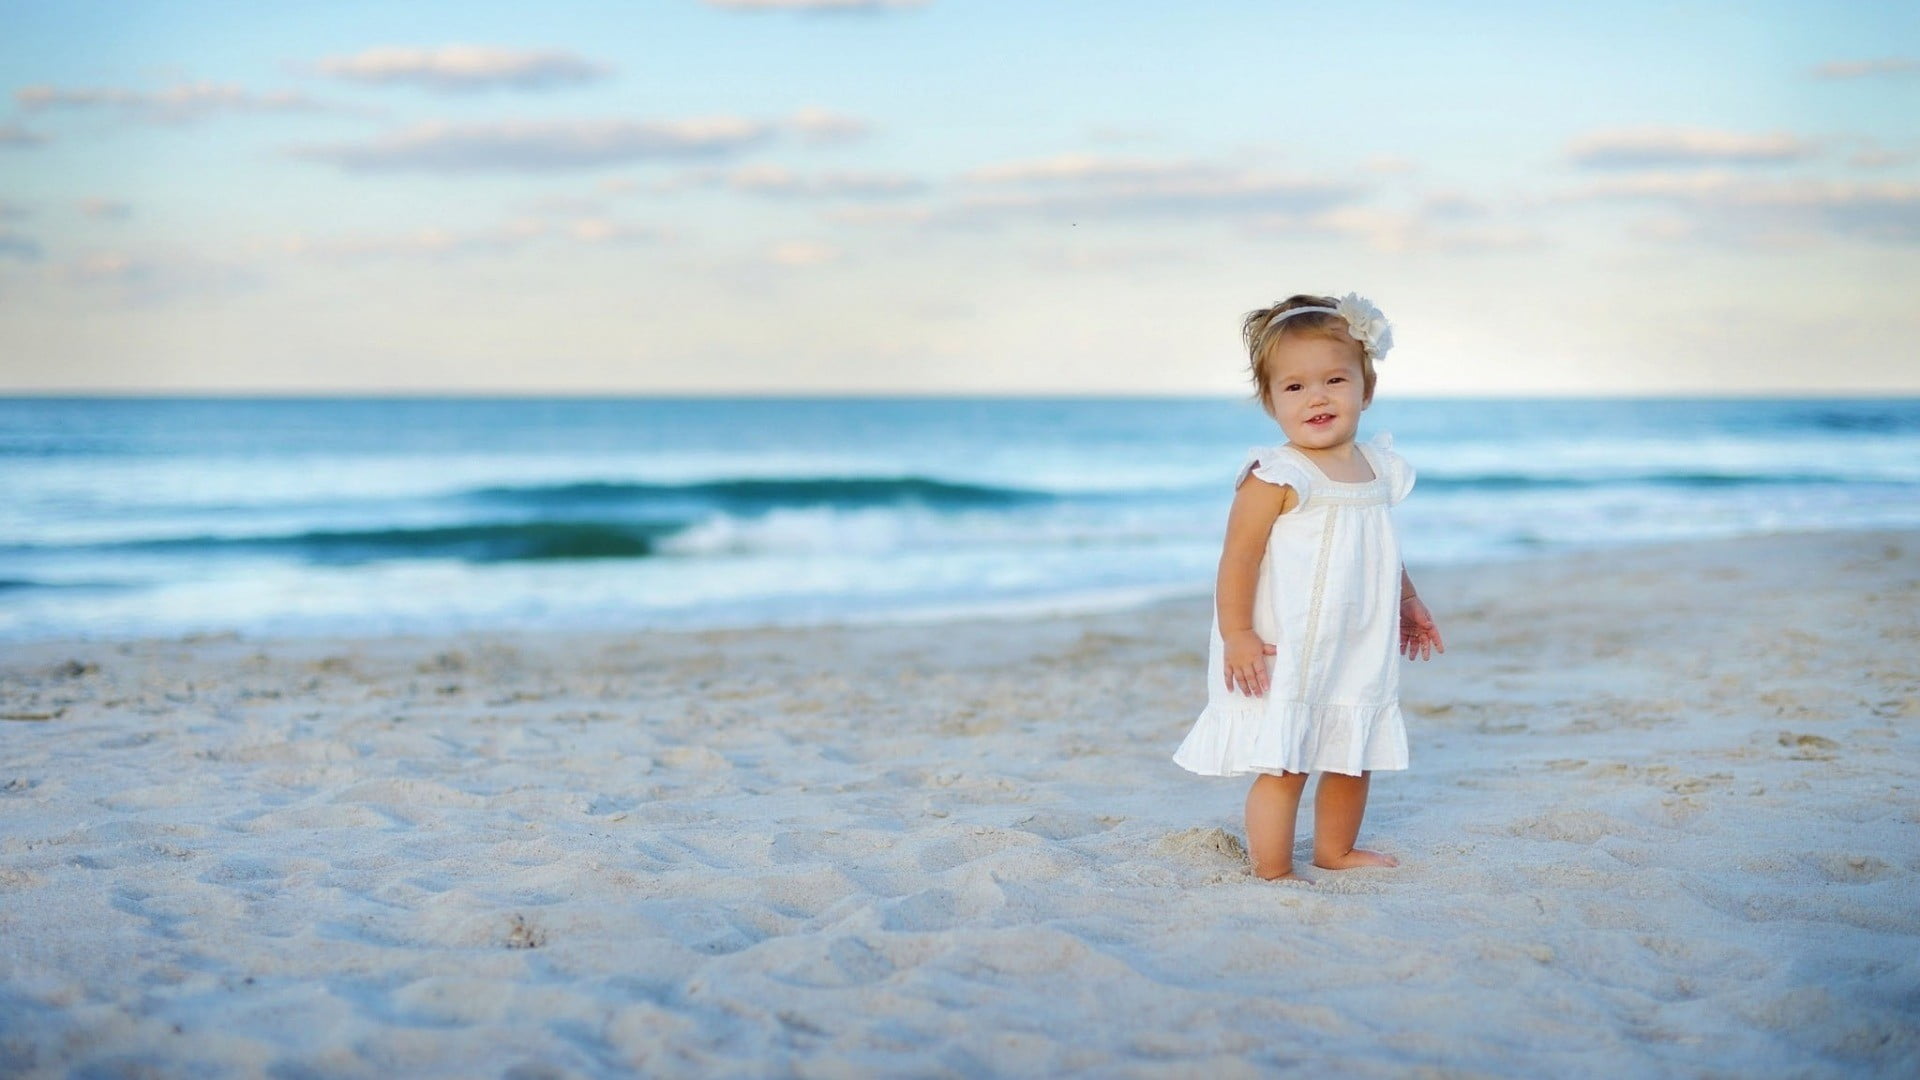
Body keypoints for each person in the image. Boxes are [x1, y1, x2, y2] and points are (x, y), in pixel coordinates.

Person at [1171, 292, 1444, 881]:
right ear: (1270, 403)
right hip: (1286, 642)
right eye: (1294, 387)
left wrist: (1407, 599)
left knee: (1352, 753)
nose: (1316, 396)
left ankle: (1335, 850)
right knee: (1286, 761)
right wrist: (1237, 633)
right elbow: (1237, 559)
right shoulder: (1278, 475)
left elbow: (1380, 548)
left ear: (1365, 390)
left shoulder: (1377, 468)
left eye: (1335, 380)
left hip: (1355, 638)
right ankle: (1272, 868)